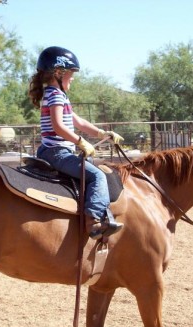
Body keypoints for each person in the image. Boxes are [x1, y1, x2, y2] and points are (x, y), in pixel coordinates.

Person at [29, 46, 124, 239]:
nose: (72, 79)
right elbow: (57, 126)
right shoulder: (54, 95)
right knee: (98, 177)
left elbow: (78, 122)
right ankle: (94, 222)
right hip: (56, 152)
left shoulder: (59, 95)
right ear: (58, 73)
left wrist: (102, 133)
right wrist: (80, 142)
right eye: (70, 75)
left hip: (57, 151)